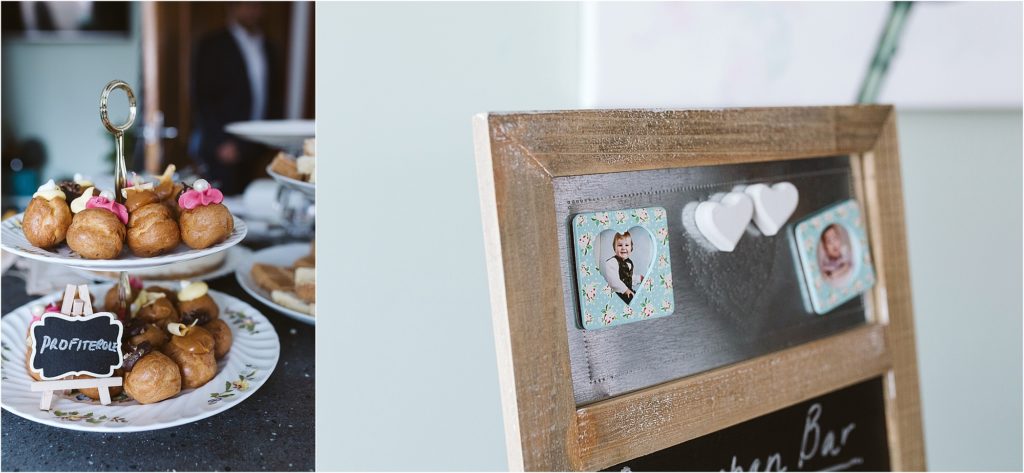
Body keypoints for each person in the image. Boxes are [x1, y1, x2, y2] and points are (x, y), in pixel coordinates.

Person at [191, 2, 284, 195]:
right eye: (247, 5)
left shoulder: (268, 45)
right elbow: (202, 97)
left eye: (257, 5)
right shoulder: (213, 44)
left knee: (254, 199)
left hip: (257, 143)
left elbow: (273, 94)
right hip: (224, 144)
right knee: (223, 200)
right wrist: (219, 141)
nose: (253, 10)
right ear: (233, 7)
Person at [602, 232, 644, 304]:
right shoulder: (612, 262)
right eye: (620, 245)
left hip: (628, 292)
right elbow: (613, 281)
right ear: (614, 248)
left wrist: (639, 278)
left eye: (627, 245)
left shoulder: (629, 263)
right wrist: (625, 290)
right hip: (618, 294)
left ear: (631, 248)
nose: (623, 248)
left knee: (640, 300)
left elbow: (629, 277)